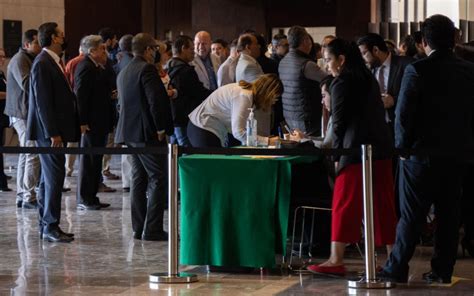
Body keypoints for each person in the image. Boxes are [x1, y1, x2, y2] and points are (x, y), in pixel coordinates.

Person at [380, 15, 474, 284]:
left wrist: (402, 148)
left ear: (422, 41)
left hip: (421, 156)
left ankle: (397, 268)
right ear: (455, 38)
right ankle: (442, 270)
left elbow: (404, 114)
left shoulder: (417, 70)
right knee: (449, 215)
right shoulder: (469, 71)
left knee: (412, 214)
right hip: (456, 155)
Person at [306, 38, 397, 276]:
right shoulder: (368, 78)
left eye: (328, 60)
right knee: (383, 205)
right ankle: (394, 258)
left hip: (354, 151)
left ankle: (336, 259)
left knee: (344, 203)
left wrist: (337, 156)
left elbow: (339, 123)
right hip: (381, 149)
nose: (327, 66)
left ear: (342, 59)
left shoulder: (342, 82)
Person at [115, 33, 173, 241]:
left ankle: (139, 227)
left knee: (139, 178)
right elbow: (154, 101)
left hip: (129, 133)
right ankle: (153, 228)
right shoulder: (146, 69)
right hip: (146, 133)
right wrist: (160, 128)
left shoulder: (125, 69)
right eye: (155, 49)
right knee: (159, 177)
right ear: (149, 50)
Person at [27, 22, 78, 243]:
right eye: (61, 34)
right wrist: (52, 133)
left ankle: (47, 223)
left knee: (50, 179)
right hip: (49, 133)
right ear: (53, 38)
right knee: (54, 178)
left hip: (55, 131)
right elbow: (43, 103)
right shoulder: (42, 63)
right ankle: (50, 226)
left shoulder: (53, 62)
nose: (64, 37)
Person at [187, 74, 283, 148]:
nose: (274, 102)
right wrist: (268, 141)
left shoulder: (247, 94)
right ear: (269, 92)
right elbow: (239, 132)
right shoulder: (244, 96)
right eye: (275, 97)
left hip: (203, 128)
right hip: (202, 128)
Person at [75, 35, 113, 210]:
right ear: (92, 51)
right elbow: (81, 96)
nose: (105, 52)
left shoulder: (98, 66)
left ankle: (92, 195)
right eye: (101, 49)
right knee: (89, 160)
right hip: (91, 122)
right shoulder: (85, 66)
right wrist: (82, 121)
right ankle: (85, 197)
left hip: (100, 120)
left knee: (95, 160)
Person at [5, 29, 41, 207]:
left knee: (27, 154)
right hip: (22, 113)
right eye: (36, 42)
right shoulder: (20, 59)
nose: (40, 45)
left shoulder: (29, 58)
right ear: (27, 44)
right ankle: (28, 196)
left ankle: (23, 194)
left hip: (24, 112)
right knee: (32, 152)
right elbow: (27, 84)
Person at [278, 26, 326, 136]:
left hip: (289, 115)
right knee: (311, 148)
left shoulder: (283, 62)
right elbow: (328, 79)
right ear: (305, 41)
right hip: (307, 117)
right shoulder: (306, 64)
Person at [167, 35, 211, 147]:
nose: (194, 53)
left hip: (172, 118)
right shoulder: (185, 71)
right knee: (186, 151)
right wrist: (216, 95)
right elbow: (198, 92)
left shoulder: (168, 67)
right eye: (191, 49)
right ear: (183, 48)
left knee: (173, 153)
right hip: (184, 119)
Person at [0, 48, 11, 192]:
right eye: (0, 56)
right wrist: (10, 94)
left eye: (3, 56)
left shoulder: (1, 73)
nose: (2, 59)